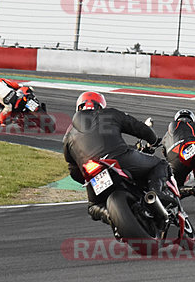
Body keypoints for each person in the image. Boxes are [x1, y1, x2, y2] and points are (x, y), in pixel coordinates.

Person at [63, 91, 171, 224]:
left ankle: (109, 215)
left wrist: (89, 179)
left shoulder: (68, 135)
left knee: (93, 207)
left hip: (92, 172)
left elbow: (73, 170)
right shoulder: (109, 114)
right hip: (119, 159)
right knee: (160, 164)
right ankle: (156, 193)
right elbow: (137, 127)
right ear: (100, 106)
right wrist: (153, 140)